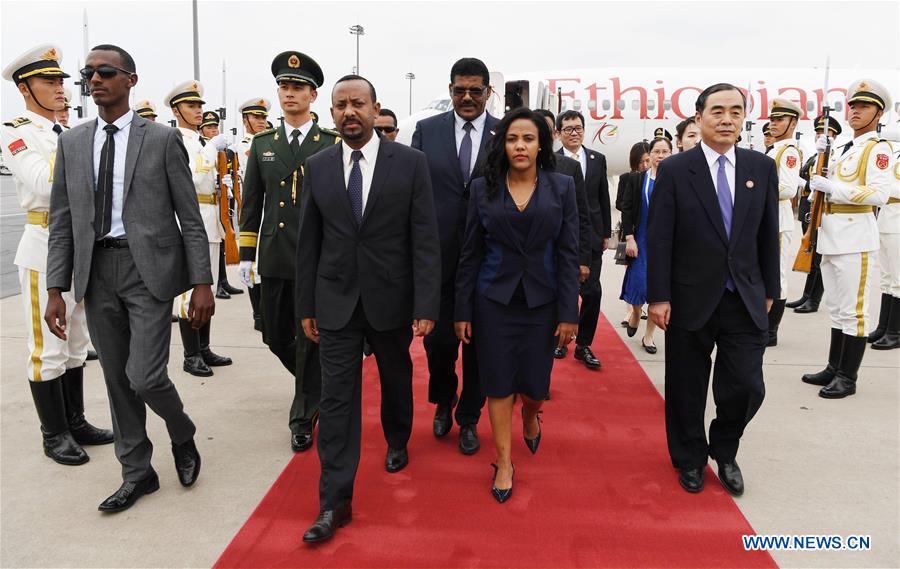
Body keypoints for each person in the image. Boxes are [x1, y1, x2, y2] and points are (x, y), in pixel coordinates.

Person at [45, 44, 212, 512]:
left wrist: (202, 282)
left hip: (148, 271)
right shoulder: (73, 142)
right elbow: (62, 221)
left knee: (145, 376)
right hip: (96, 272)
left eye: (105, 71)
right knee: (117, 380)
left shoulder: (160, 139)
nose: (94, 79)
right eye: (88, 73)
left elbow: (190, 217)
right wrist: (56, 289)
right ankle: (137, 473)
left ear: (130, 80)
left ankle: (181, 431)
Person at [297, 74, 440, 543]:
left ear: (376, 109)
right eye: (341, 105)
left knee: (396, 377)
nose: (349, 112)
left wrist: (426, 303)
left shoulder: (411, 163)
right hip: (335, 301)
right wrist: (306, 304)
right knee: (337, 400)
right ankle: (334, 503)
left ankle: (397, 438)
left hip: (391, 298)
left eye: (358, 103)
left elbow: (424, 238)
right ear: (331, 113)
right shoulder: (317, 166)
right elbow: (309, 242)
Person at [647, 83, 779, 496]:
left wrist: (771, 289)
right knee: (686, 385)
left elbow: (767, 234)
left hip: (744, 295)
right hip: (688, 296)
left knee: (747, 385)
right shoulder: (675, 170)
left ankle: (724, 449)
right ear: (699, 117)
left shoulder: (761, 167)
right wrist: (658, 296)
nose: (727, 119)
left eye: (735, 111)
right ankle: (689, 457)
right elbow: (660, 237)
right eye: (718, 111)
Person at [455, 107, 579, 503]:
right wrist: (462, 309)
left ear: (541, 144)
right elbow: (470, 254)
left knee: (535, 386)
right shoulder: (482, 189)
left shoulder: (562, 187)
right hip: (493, 302)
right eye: (512, 139)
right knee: (497, 383)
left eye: (528, 138)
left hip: (543, 303)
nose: (520, 146)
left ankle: (530, 414)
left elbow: (568, 253)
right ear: (502, 146)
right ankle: (504, 462)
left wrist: (569, 312)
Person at [1, 44, 113, 466]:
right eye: (48, 81)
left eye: (61, 81)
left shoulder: (64, 132)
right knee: (47, 347)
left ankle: (75, 421)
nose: (60, 88)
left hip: (80, 246)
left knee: (76, 343)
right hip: (44, 247)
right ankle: (54, 433)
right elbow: (44, 184)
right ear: (25, 88)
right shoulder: (15, 130)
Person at [238, 51, 340, 452]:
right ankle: (316, 386)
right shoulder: (264, 143)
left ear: (313, 95)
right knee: (274, 334)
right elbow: (251, 203)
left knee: (308, 339)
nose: (289, 93)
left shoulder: (329, 143)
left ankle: (302, 415)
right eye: (283, 86)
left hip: (315, 259)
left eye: (297, 87)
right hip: (276, 255)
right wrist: (246, 255)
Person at [411, 57, 499, 454]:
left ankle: (469, 417)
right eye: (459, 90)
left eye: (475, 91)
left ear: (487, 92)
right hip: (439, 258)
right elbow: (413, 193)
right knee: (440, 344)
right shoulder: (426, 131)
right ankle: (443, 400)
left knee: (479, 346)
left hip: (488, 259)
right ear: (450, 90)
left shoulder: (504, 133)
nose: (466, 97)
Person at [802, 79, 895, 396]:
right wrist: (820, 166)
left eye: (864, 107)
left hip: (856, 237)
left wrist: (833, 187)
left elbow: (879, 194)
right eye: (853, 106)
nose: (855, 111)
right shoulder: (844, 148)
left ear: (878, 113)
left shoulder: (877, 149)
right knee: (838, 308)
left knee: (855, 311)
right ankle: (834, 367)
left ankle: (848, 377)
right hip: (831, 234)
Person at [165, 81, 232, 377]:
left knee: (208, 287)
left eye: (199, 106)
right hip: (190, 218)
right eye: (191, 106)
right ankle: (191, 355)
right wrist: (210, 152)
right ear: (176, 111)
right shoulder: (176, 140)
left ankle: (204, 348)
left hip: (210, 216)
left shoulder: (200, 141)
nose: (198, 111)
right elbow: (189, 178)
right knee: (189, 292)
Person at [553, 110, 610, 370]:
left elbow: (602, 197)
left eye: (578, 128)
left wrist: (606, 232)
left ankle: (583, 344)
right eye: (568, 129)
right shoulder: (553, 161)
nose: (574, 133)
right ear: (558, 133)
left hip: (592, 236)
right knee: (561, 291)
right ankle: (560, 340)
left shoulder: (597, 159)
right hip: (563, 235)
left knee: (592, 292)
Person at [621, 129, 672, 354]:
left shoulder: (675, 180)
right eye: (657, 151)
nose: (660, 155)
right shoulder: (637, 179)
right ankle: (634, 312)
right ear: (649, 155)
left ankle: (649, 336)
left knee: (657, 290)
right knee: (638, 284)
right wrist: (629, 239)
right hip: (640, 240)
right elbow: (627, 210)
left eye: (665, 151)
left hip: (665, 244)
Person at [788, 114, 840, 314]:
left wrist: (806, 184)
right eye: (818, 132)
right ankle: (806, 295)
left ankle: (814, 299)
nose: (820, 135)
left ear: (834, 136)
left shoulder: (832, 158)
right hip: (808, 209)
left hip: (820, 210)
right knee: (810, 254)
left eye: (826, 132)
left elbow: (826, 184)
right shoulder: (814, 157)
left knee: (819, 257)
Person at [230, 97, 271, 332]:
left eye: (264, 117)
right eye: (256, 117)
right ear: (245, 119)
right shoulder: (236, 149)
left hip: (272, 209)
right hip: (252, 209)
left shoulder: (272, 143)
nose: (261, 121)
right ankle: (258, 314)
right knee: (252, 264)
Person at [763, 98, 802, 346]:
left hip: (779, 218)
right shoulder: (774, 148)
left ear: (793, 123)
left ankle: (771, 331)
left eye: (780, 119)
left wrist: (755, 190)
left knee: (777, 275)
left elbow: (788, 188)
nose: (773, 123)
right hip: (769, 216)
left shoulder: (788, 151)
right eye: (772, 119)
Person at [197, 110, 243, 301]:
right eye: (209, 127)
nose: (214, 130)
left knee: (223, 244)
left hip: (221, 202)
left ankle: (222, 281)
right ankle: (216, 285)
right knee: (211, 248)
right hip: (206, 206)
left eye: (215, 126)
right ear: (201, 130)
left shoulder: (221, 149)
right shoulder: (202, 148)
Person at [616, 141, 651, 328]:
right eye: (640, 162)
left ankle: (638, 308)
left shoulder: (654, 178)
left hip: (646, 233)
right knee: (629, 269)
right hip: (628, 232)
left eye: (646, 161)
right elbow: (620, 203)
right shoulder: (627, 178)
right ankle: (630, 309)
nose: (644, 165)